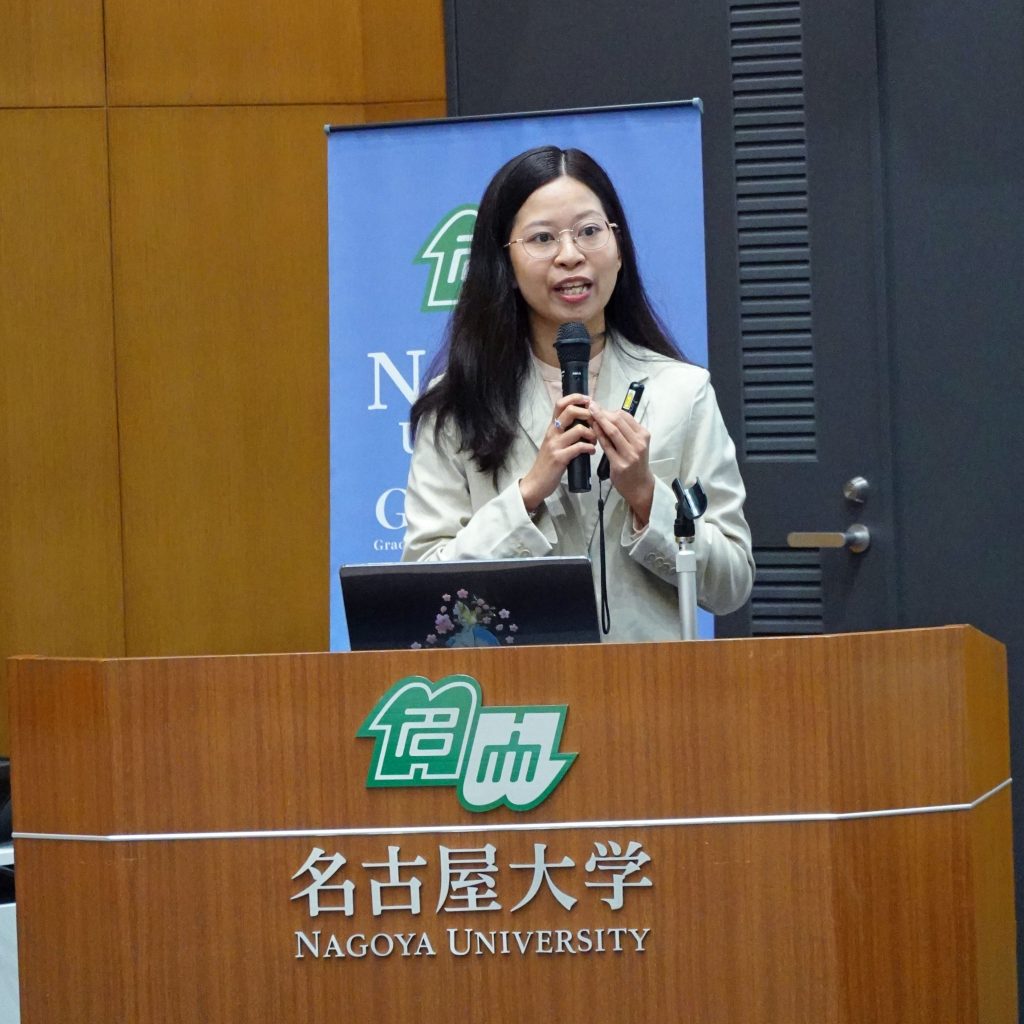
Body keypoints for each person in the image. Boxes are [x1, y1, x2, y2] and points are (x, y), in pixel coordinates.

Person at [402, 145, 753, 642]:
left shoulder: (683, 391)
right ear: (504, 263)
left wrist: (646, 496)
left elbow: (732, 584)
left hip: (649, 683)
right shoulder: (459, 404)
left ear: (618, 248)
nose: (570, 255)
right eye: (542, 238)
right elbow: (426, 592)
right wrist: (528, 493)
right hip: (516, 685)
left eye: (589, 231)